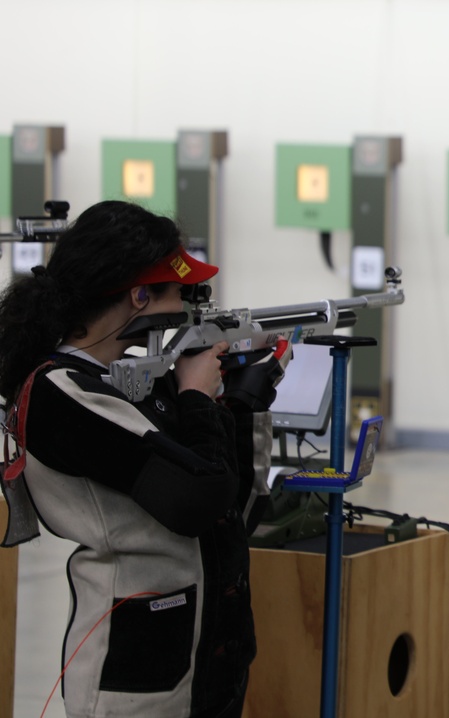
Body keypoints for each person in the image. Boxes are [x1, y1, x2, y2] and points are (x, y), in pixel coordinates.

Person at [0, 200, 286, 718]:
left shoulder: (138, 382)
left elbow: (233, 511)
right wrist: (198, 397)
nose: (189, 307)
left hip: (205, 654)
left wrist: (242, 407)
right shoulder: (59, 394)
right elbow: (194, 501)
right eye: (181, 293)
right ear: (138, 296)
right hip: (136, 669)